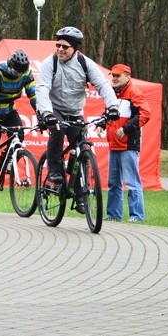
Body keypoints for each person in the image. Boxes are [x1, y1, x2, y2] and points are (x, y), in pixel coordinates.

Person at [35, 26, 119, 212]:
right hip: (54, 108)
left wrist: (112, 106)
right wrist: (46, 114)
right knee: (56, 131)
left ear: (75, 49)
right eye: (58, 45)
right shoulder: (50, 63)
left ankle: (80, 193)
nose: (60, 50)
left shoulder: (85, 64)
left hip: (74, 111)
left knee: (82, 147)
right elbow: (41, 88)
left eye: (65, 47)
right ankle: (55, 172)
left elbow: (103, 85)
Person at [0, 49, 37, 206]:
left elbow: (34, 96)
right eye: (16, 71)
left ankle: (6, 160)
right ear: (11, 65)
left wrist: (42, 114)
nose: (18, 74)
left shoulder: (26, 73)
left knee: (19, 133)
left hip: (9, 110)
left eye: (21, 72)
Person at [104, 64, 151, 222]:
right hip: (114, 144)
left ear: (127, 76)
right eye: (113, 76)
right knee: (113, 183)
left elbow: (145, 114)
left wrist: (126, 129)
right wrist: (100, 124)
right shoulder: (112, 94)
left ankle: (137, 216)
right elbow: (109, 114)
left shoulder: (134, 93)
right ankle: (113, 214)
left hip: (128, 145)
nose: (115, 78)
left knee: (132, 182)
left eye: (118, 76)